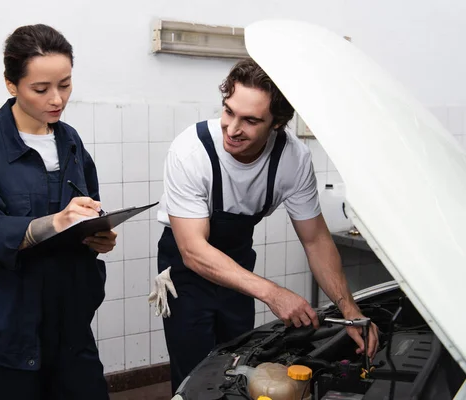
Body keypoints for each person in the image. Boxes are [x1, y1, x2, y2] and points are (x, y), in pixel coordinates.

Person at [153, 58, 379, 394]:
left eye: (250, 120)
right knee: (195, 372)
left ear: (278, 123)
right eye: (228, 112)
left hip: (239, 265)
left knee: (238, 362)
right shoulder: (191, 151)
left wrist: (349, 310)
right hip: (187, 272)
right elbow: (193, 250)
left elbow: (315, 239)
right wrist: (273, 293)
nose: (232, 129)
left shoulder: (293, 159)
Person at [0, 24, 116, 400]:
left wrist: (97, 237)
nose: (57, 99)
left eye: (65, 85)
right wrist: (54, 222)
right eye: (41, 89)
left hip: (68, 323)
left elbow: (87, 208)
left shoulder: (70, 142)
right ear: (11, 84)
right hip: (5, 323)